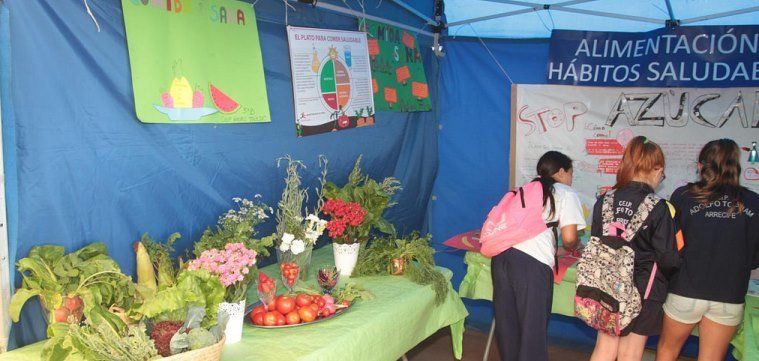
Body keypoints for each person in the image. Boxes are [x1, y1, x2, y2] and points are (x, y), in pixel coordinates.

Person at [656, 139, 759, 361]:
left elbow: (670, 246)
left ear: (701, 166)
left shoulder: (683, 196)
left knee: (667, 351)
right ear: (736, 165)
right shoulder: (753, 202)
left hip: (685, 289)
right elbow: (754, 258)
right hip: (729, 295)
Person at [587, 136, 679, 361]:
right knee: (631, 352)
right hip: (645, 289)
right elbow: (668, 257)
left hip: (608, 284)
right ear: (656, 168)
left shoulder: (604, 200)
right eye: (662, 173)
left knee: (605, 347)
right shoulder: (659, 207)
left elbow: (596, 240)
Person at [490, 151, 586, 361]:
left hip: (501, 259)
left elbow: (529, 239)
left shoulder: (523, 190)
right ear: (561, 172)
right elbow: (569, 238)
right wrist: (575, 246)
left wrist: (559, 251)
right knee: (532, 329)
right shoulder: (565, 192)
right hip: (531, 267)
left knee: (508, 326)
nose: (570, 179)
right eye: (571, 173)